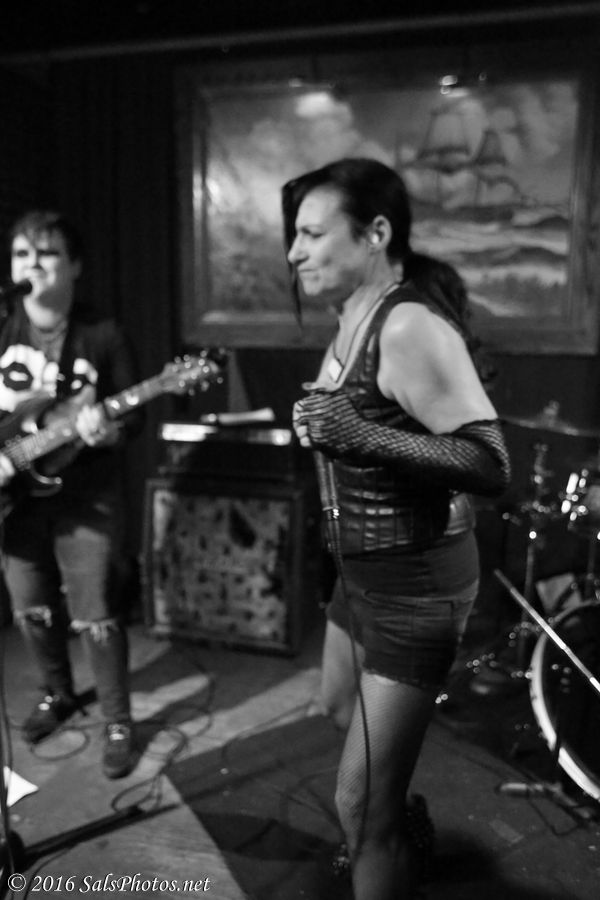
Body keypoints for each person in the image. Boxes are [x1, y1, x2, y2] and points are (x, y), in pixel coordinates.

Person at [283, 159, 511, 900]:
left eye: (313, 233)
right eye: (295, 235)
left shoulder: (407, 325)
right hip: (361, 573)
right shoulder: (352, 315)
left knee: (357, 805)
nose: (294, 252)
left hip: (414, 586)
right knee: (334, 705)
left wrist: (358, 434)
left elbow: (490, 460)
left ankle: (386, 833)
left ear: (375, 233)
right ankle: (402, 825)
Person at [0, 210, 144, 779]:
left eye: (47, 254)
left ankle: (118, 721)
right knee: (30, 606)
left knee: (96, 611)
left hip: (86, 493)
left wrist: (107, 431)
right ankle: (57, 693)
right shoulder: (4, 325)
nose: (32, 265)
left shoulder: (102, 333)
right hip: (15, 497)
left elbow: (134, 417)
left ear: (75, 265)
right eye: (22, 255)